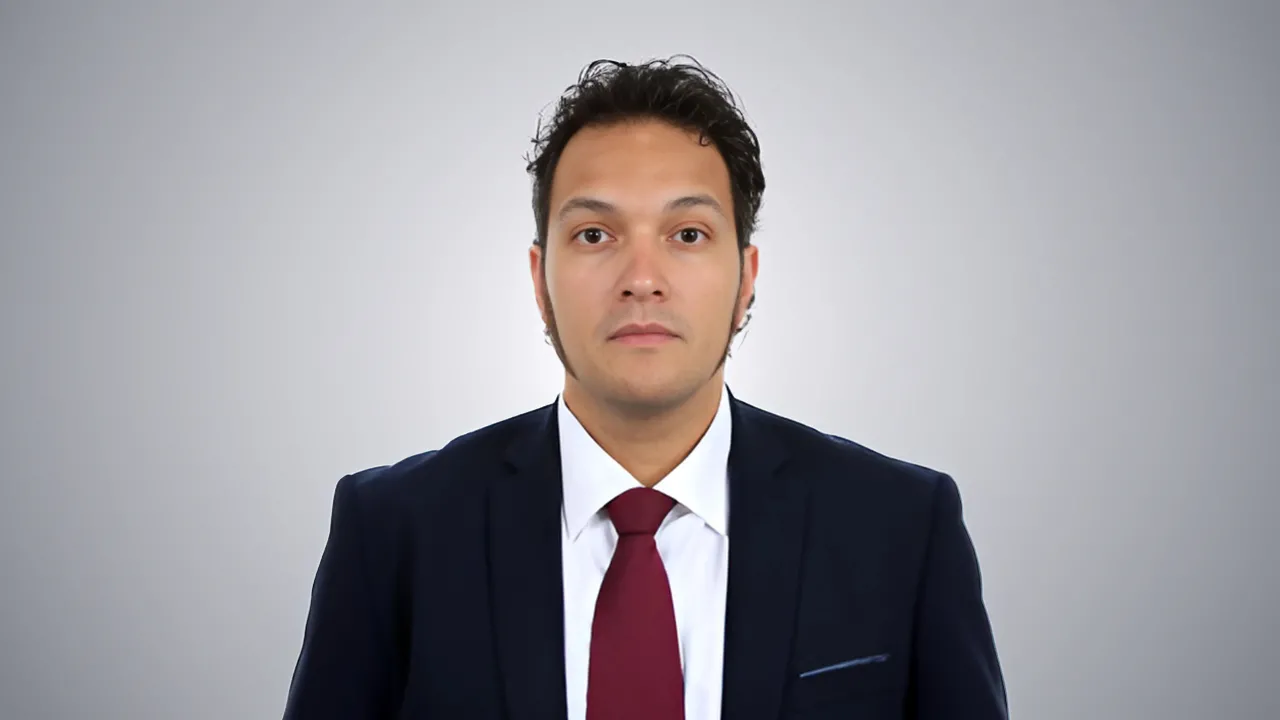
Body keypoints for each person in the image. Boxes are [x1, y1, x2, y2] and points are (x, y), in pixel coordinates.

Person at [282, 56, 1008, 720]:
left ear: (746, 279)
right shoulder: (395, 532)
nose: (641, 279)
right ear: (539, 280)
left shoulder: (901, 527)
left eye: (688, 234)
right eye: (594, 235)